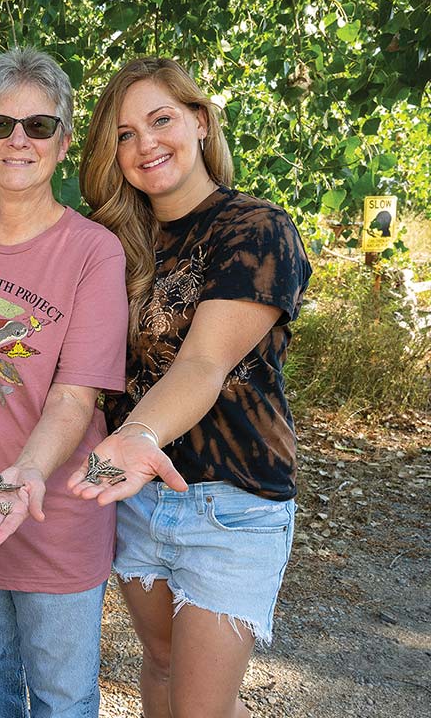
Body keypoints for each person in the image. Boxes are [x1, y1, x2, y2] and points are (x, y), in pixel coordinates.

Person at [66, 57, 312, 718]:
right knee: (164, 666)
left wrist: (138, 434)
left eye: (161, 119)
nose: (145, 143)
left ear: (200, 122)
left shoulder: (256, 228)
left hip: (232, 503)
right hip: (137, 499)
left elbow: (202, 364)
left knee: (203, 706)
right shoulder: (108, 243)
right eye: (124, 133)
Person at [0, 47, 131, 718]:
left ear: (64, 141)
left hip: (53, 513)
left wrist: (26, 474)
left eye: (38, 126)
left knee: (63, 699)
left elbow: (76, 396)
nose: (18, 140)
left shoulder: (93, 252)